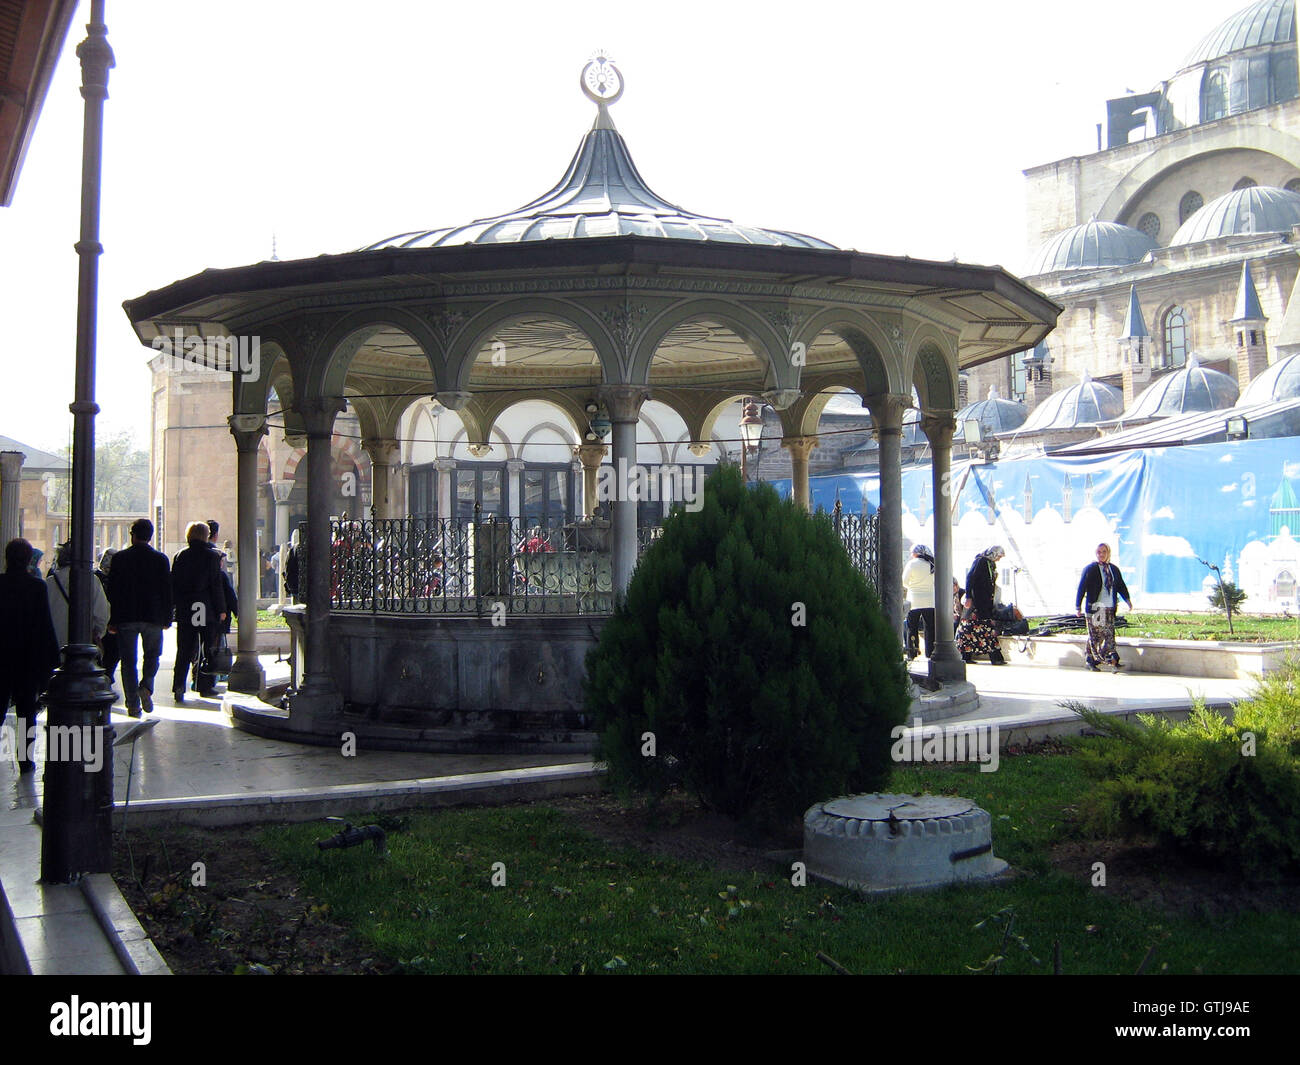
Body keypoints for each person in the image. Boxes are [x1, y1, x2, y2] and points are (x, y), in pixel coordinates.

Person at [0, 539, 60, 773]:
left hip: (1, 657)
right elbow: (44, 626)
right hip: (26, 660)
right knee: (26, 712)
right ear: (28, 560)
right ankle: (25, 760)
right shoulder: (36, 587)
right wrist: (51, 664)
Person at [107, 518, 172, 716]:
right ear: (151, 536)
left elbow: (113, 591)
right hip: (153, 616)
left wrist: (113, 619)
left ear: (132, 535)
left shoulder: (119, 559)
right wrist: (167, 618)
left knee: (128, 661)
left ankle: (133, 704)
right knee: (152, 655)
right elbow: (167, 591)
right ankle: (146, 686)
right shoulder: (161, 559)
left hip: (126, 616)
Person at [171, 521, 227, 700]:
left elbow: (174, 584)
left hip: (186, 607)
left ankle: (179, 685)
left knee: (184, 648)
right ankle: (204, 685)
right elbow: (215, 585)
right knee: (206, 646)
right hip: (203, 606)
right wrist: (221, 609)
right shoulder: (212, 557)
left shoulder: (180, 555)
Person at [1075, 542, 1133, 672]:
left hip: (1109, 607)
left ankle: (1109, 659)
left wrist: (1127, 600)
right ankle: (1095, 660)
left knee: (1109, 634)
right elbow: (1082, 587)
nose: (1101, 555)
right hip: (1097, 607)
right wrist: (1077, 606)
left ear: (1108, 553)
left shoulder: (1113, 569)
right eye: (1099, 552)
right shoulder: (1091, 569)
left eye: (1104, 552)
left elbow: (1121, 586)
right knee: (1096, 635)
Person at [46, 540, 110, 651]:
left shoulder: (49, 583)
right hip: (83, 643)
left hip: (53, 642)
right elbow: (102, 614)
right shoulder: (91, 581)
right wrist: (97, 633)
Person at [957, 545, 1007, 665]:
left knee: (982, 628)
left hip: (984, 602)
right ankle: (992, 657)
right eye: (998, 556)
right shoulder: (980, 561)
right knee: (974, 628)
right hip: (976, 602)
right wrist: (968, 596)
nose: (999, 559)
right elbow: (970, 578)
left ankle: (991, 657)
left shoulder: (990, 564)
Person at [902, 543, 936, 661]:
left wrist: (912, 586)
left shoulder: (911, 564)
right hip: (930, 600)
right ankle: (930, 651)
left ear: (916, 553)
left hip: (914, 599)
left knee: (912, 627)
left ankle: (912, 651)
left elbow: (904, 582)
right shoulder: (932, 563)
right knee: (930, 627)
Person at [95, 549, 120, 685]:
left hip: (102, 619)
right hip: (113, 620)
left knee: (105, 649)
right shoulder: (119, 578)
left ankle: (105, 673)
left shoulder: (95, 577)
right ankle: (108, 673)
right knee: (114, 651)